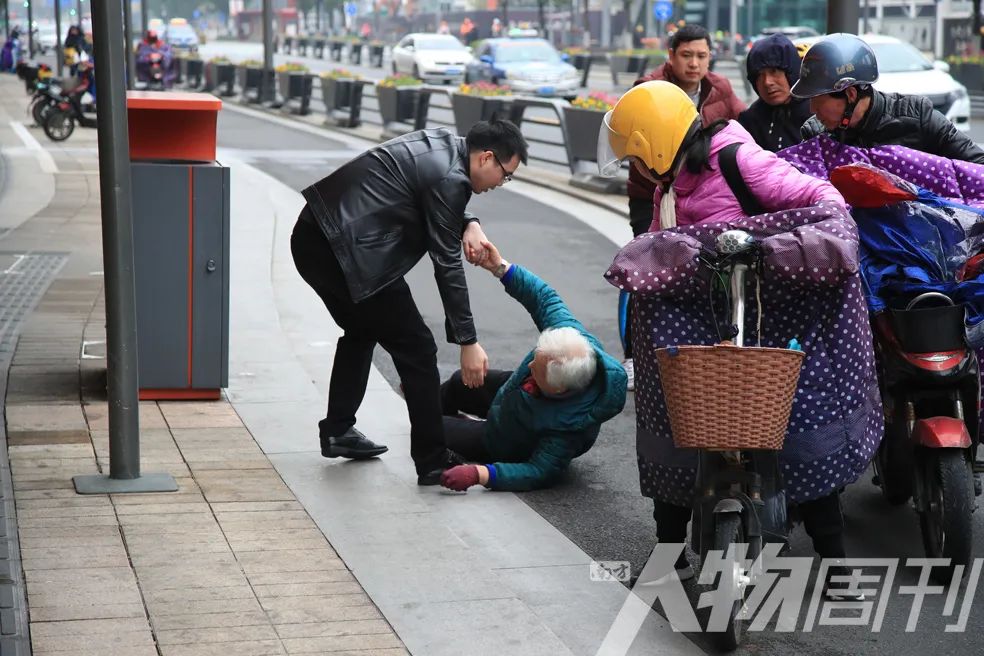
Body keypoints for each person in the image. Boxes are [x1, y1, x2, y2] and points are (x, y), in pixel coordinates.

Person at [600, 81, 881, 599]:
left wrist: (770, 248)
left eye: (635, 157)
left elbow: (825, 201)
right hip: (707, 326)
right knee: (682, 428)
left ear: (655, 145)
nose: (634, 169)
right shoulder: (670, 184)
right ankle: (668, 557)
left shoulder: (737, 159)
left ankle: (835, 563)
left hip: (773, 318)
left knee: (795, 428)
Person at [291, 120, 528, 486]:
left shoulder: (446, 144)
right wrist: (468, 341)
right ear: (486, 158)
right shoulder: (451, 177)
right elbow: (447, 263)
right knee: (417, 347)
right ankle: (432, 462)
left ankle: (338, 429)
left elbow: (434, 194)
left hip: (315, 237)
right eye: (505, 174)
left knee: (361, 329)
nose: (500, 183)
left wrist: (470, 221)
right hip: (346, 252)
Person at [438, 242, 628, 492]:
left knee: (434, 429)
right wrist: (499, 267)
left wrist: (480, 474)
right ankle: (427, 399)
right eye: (535, 357)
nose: (529, 364)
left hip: (503, 440)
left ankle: (440, 418)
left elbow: (538, 471)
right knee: (458, 382)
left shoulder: (568, 429)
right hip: (515, 392)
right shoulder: (572, 338)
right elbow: (543, 297)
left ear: (557, 390)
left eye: (536, 368)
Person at [620, 24, 746, 389]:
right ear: (671, 56)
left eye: (702, 56)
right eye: (687, 55)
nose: (694, 64)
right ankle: (634, 354)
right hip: (653, 194)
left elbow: (739, 129)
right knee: (646, 269)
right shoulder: (650, 89)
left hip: (704, 198)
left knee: (704, 273)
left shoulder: (719, 89)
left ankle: (696, 352)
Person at [795, 33, 984, 163]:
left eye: (818, 99)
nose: (812, 110)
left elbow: (977, 165)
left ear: (850, 94)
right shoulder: (814, 133)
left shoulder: (917, 116)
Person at [738, 33, 812, 152]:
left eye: (774, 71)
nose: (767, 82)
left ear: (791, 72)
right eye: (759, 75)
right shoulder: (750, 120)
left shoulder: (818, 114)